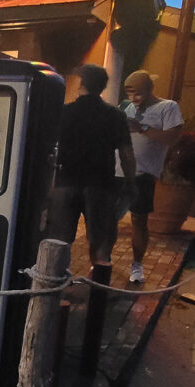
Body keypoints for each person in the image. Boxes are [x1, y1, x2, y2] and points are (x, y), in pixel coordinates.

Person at [46, 63, 136, 269]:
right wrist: (130, 183)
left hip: (65, 181)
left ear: (81, 84)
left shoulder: (64, 112)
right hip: (101, 183)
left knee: (59, 239)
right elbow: (127, 154)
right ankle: (98, 287)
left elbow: (48, 147)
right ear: (103, 87)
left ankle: (56, 289)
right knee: (101, 239)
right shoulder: (115, 116)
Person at [121, 70, 183, 283]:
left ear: (149, 89)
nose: (133, 99)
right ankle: (102, 261)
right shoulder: (129, 108)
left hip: (143, 173)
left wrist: (143, 127)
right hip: (119, 172)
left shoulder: (168, 107)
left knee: (139, 220)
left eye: (137, 94)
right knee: (107, 218)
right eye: (129, 94)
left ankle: (137, 266)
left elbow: (173, 138)